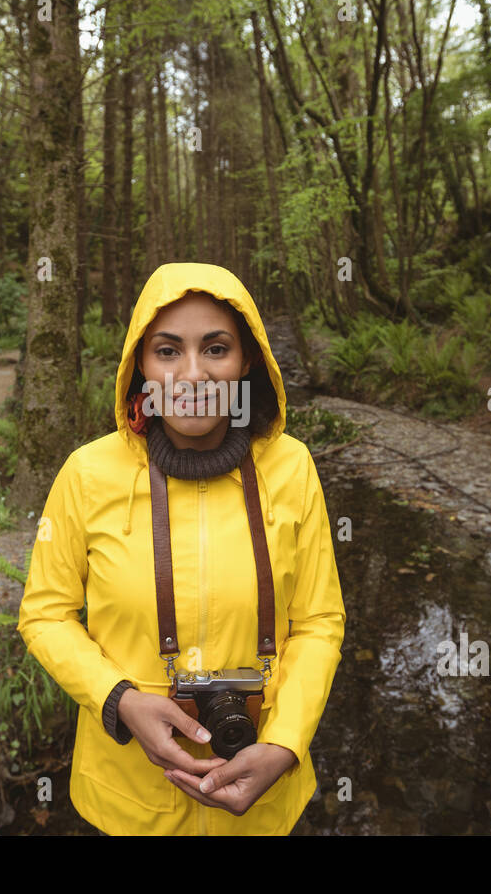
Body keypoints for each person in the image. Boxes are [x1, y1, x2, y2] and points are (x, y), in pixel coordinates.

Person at [17, 261, 346, 835]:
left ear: (247, 362)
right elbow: (45, 613)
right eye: (168, 351)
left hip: (261, 796)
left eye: (215, 349)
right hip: (128, 800)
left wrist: (287, 743)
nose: (192, 374)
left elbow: (319, 622)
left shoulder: (293, 469)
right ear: (139, 366)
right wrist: (117, 699)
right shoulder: (87, 474)